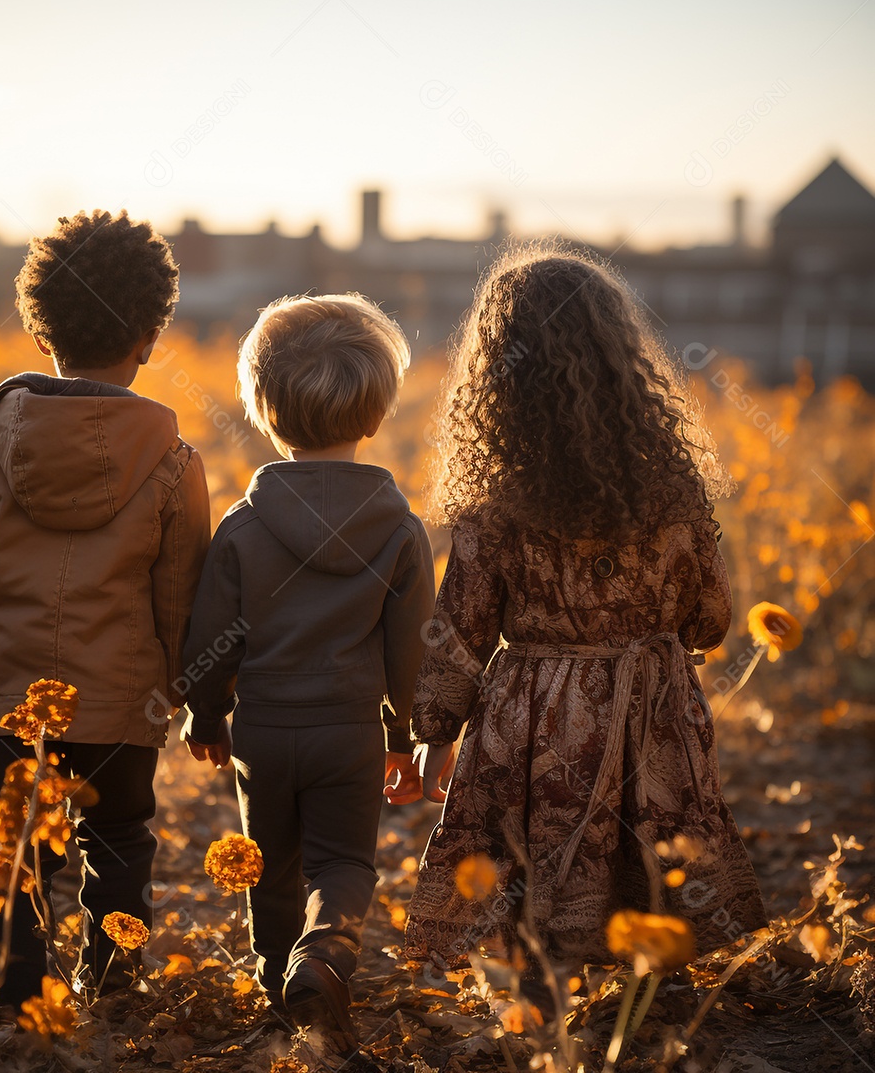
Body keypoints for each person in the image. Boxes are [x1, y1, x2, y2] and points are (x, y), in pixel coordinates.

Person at [400, 248, 767, 972]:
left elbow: (460, 627)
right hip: (653, 705)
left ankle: (540, 979)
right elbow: (711, 618)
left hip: (535, 717)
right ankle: (655, 969)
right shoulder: (672, 489)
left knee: (535, 840)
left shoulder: (495, 500)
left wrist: (434, 733)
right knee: (653, 829)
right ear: (620, 356)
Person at [0, 210, 210, 1009]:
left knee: (14, 849)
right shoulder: (176, 464)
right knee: (117, 840)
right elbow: (182, 600)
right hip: (120, 702)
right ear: (150, 336)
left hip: (14, 702)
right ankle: (112, 982)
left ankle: (9, 987)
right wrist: (192, 696)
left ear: (42, 334)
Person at [181, 293, 434, 1036]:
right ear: (375, 411)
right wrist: (408, 734)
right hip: (349, 729)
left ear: (263, 410)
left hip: (261, 727)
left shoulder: (241, 526)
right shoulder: (401, 532)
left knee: (270, 861)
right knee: (345, 864)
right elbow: (409, 649)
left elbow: (211, 635)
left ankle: (273, 981)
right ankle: (322, 956)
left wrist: (205, 710)